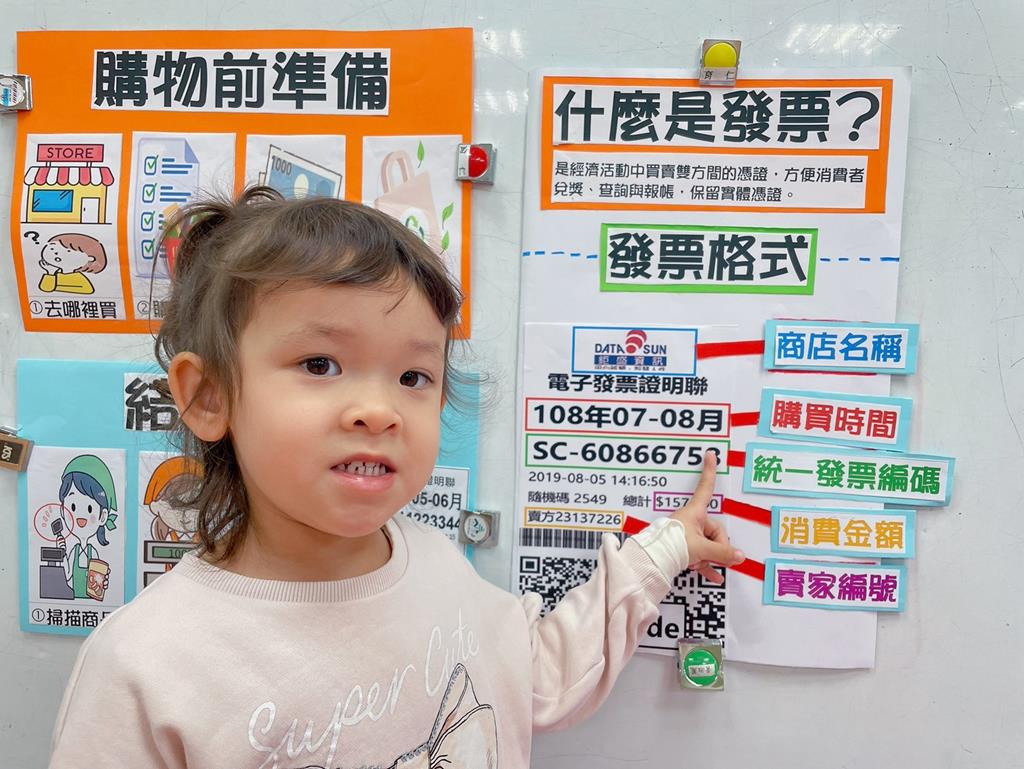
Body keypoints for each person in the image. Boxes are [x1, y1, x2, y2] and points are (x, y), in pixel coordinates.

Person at [48, 187, 744, 768]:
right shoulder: (145, 663)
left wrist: (664, 550)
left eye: (414, 376)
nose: (379, 411)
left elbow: (536, 676)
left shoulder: (437, 564)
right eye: (320, 364)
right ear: (208, 396)